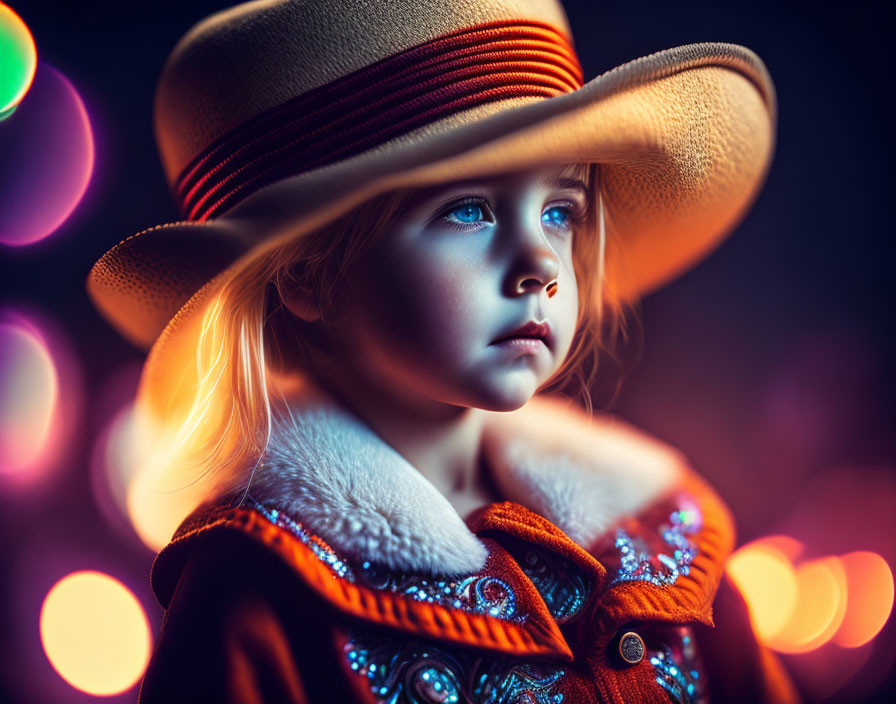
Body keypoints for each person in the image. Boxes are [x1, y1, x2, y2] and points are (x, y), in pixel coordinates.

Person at [87, 1, 800, 702]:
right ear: (304, 276)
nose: (542, 265)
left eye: (561, 211)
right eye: (468, 209)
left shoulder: (660, 530)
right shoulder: (259, 592)